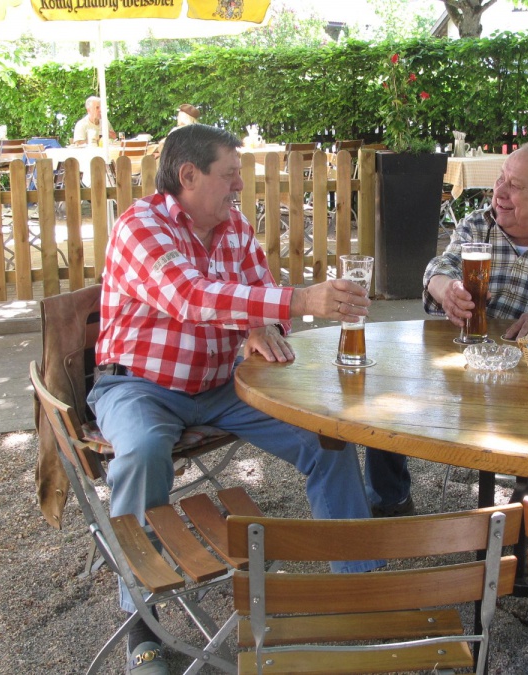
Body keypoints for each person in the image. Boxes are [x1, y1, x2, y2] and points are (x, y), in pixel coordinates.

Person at [87, 124, 382, 672]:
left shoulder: (234, 226)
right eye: (230, 174)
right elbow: (188, 296)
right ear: (189, 175)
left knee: (329, 437)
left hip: (225, 385)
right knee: (142, 451)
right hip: (139, 384)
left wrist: (257, 324)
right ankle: (140, 628)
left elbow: (256, 298)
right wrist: (301, 299)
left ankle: (358, 595)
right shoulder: (139, 227)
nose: (240, 186)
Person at [364, 142, 528, 516]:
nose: (498, 192)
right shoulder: (477, 225)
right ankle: (391, 502)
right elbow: (438, 268)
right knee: (385, 398)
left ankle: (520, 541)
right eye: (501, 179)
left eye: (514, 185)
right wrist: (446, 291)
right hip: (468, 369)